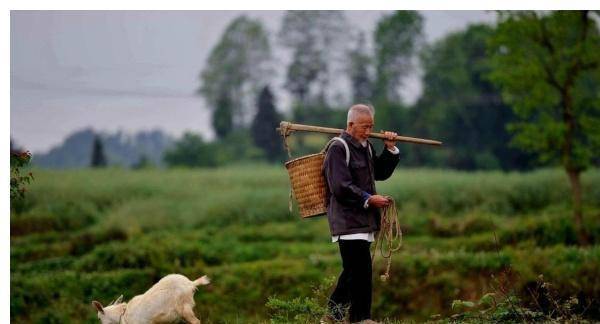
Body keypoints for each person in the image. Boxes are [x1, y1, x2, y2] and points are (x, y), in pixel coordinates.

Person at [322, 104, 400, 324]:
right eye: (364, 127)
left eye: (371, 127)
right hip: (347, 221)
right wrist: (368, 198)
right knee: (360, 271)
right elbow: (340, 186)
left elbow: (380, 173)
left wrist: (390, 149)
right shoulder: (338, 148)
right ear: (350, 125)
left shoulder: (366, 146)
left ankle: (333, 316)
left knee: (353, 272)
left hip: (364, 221)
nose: (368, 132)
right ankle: (360, 318)